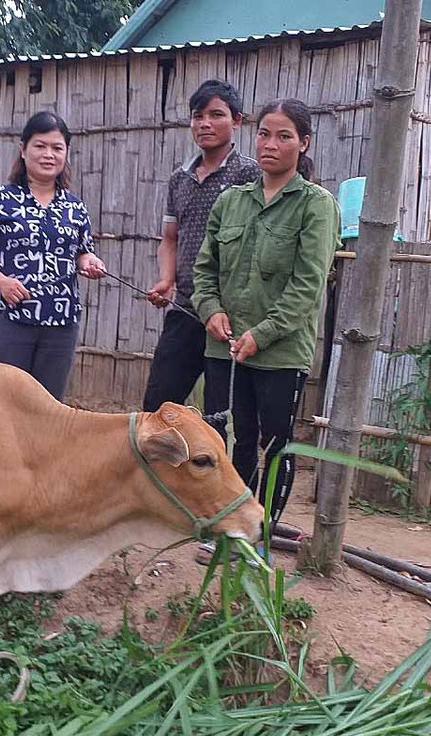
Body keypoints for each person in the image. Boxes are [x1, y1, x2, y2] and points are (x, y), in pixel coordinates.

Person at [191, 98, 340, 564]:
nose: (271, 145)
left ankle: (258, 536)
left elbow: (307, 285)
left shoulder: (316, 206)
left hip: (279, 353)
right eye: (264, 134)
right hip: (224, 349)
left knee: (275, 444)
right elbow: (204, 269)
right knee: (227, 440)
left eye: (284, 136)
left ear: (304, 143)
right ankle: (227, 528)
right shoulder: (230, 201)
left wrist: (263, 333)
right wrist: (210, 310)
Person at [0, 111, 106, 401]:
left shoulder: (76, 208)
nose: (48, 154)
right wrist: (1, 283)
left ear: (66, 152)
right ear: (23, 150)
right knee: (2, 401)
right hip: (11, 319)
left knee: (48, 406)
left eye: (57, 147)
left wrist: (88, 261)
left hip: (61, 324)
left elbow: (81, 251)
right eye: (40, 146)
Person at [142, 79, 260, 411]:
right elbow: (170, 238)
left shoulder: (249, 175)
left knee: (220, 414)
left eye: (216, 115)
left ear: (237, 121)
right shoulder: (180, 178)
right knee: (157, 405)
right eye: (198, 116)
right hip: (185, 308)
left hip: (231, 316)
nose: (205, 123)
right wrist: (166, 279)